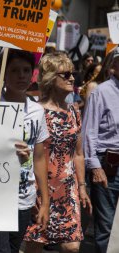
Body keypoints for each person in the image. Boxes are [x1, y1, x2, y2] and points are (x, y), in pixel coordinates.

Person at [24, 52, 92, 253]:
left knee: (71, 247)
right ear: (50, 78)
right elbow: (30, 154)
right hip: (40, 187)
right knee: (35, 245)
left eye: (72, 73)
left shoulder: (74, 111)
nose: (72, 78)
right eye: (66, 74)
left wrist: (81, 186)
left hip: (67, 188)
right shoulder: (36, 111)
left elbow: (78, 154)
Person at [0, 49, 49, 253]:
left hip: (24, 197)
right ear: (3, 74)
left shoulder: (37, 111)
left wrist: (44, 202)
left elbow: (40, 158)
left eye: (26, 70)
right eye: (14, 70)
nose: (21, 76)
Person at [82, 47, 119, 253]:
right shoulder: (101, 92)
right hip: (109, 166)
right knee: (107, 226)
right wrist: (96, 168)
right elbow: (89, 133)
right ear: (114, 66)